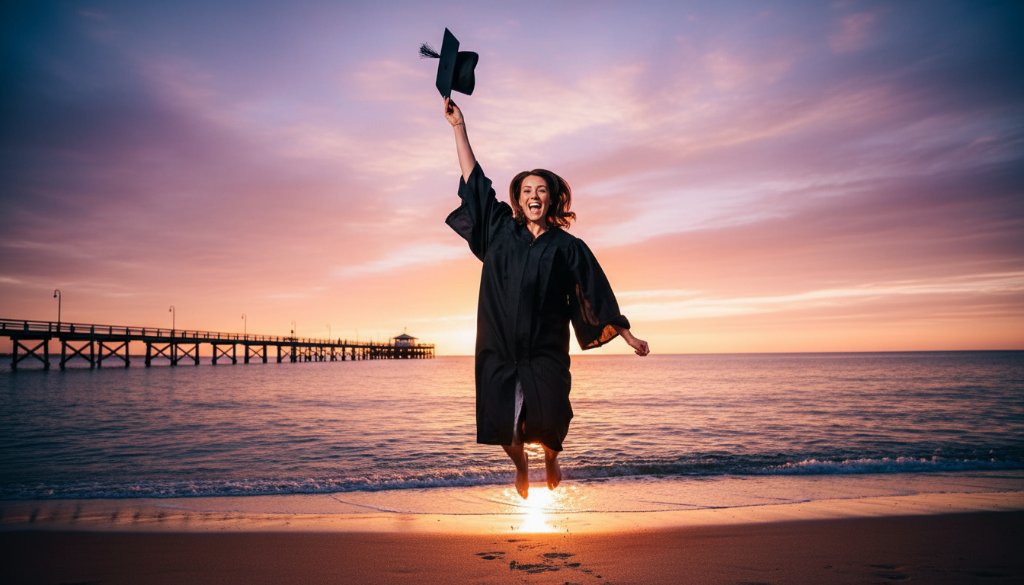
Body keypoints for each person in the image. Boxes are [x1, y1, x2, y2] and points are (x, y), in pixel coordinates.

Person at [443, 97, 649, 499]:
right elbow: (474, 182)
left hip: (545, 352)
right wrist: (458, 128)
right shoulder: (500, 230)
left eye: (541, 190)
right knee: (504, 425)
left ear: (551, 199)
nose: (533, 195)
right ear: (518, 199)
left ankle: (551, 457)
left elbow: (595, 288)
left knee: (552, 421)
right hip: (499, 347)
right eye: (526, 190)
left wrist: (625, 333)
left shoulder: (568, 247)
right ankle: (521, 466)